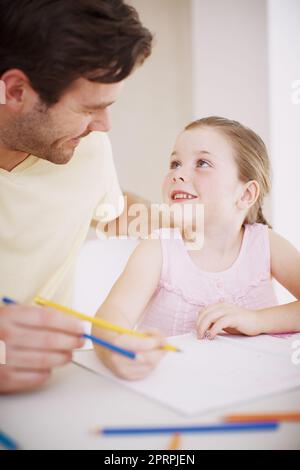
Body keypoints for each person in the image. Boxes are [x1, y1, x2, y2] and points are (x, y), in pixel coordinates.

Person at [0, 0, 152, 393]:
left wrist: (196, 221)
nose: (104, 125)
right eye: (89, 109)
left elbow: (111, 207)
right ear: (15, 90)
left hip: (55, 395)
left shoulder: (89, 150)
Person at [92, 116, 300, 380]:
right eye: (175, 163)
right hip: (176, 388)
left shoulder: (266, 244)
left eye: (202, 163)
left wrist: (257, 320)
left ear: (246, 195)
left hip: (252, 384)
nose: (178, 173)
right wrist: (117, 345)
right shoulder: (158, 248)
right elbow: (112, 316)